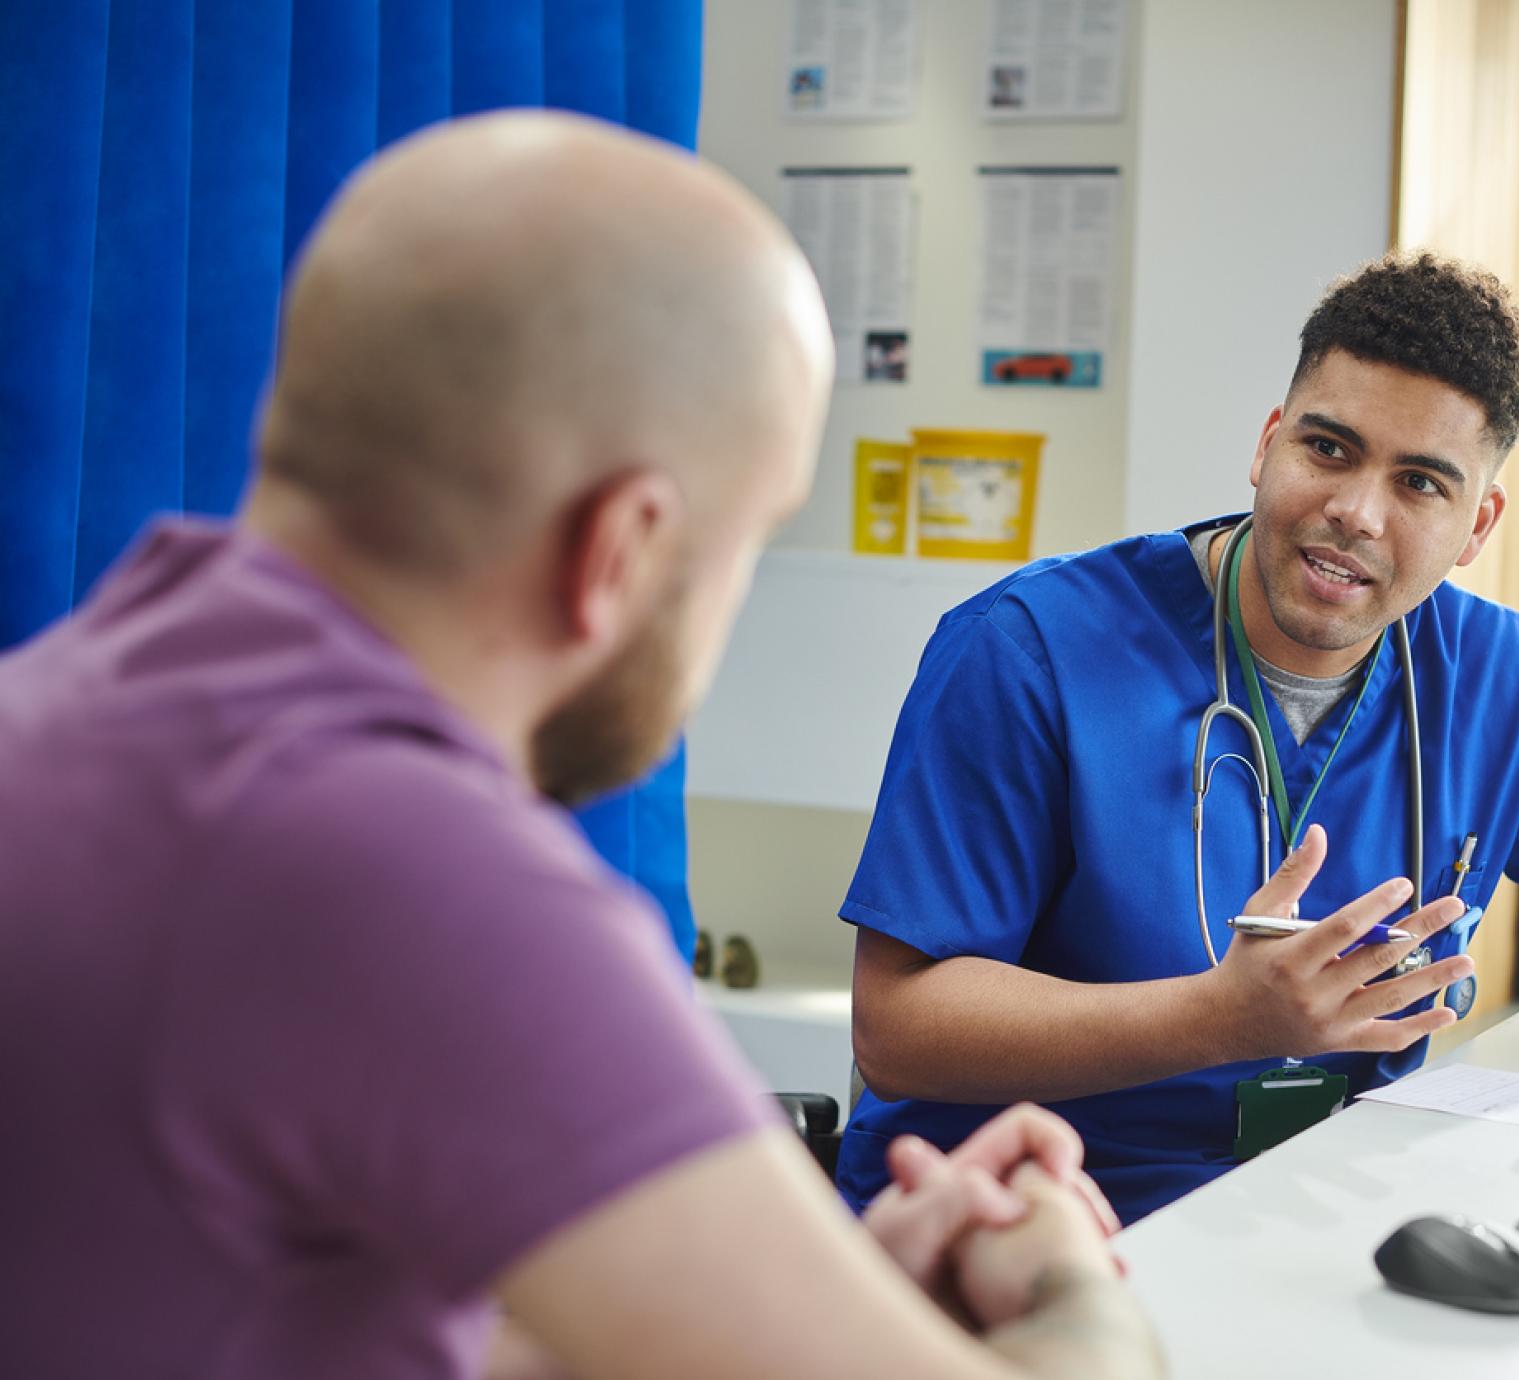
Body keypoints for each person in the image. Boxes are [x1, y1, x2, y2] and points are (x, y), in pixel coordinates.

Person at [0, 111, 1162, 1380]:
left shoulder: (70, 710)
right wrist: (1059, 1276)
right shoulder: (418, 878)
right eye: (745, 544)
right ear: (621, 549)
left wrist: (795, 1299)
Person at [838, 252, 1519, 1225]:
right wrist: (1214, 1021)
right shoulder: (1030, 653)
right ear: (1267, 443)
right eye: (1328, 449)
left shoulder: (1504, 683)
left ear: (1476, 523)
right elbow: (896, 1029)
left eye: (1418, 483)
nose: (1355, 513)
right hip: (1017, 1226)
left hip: (1316, 1220)